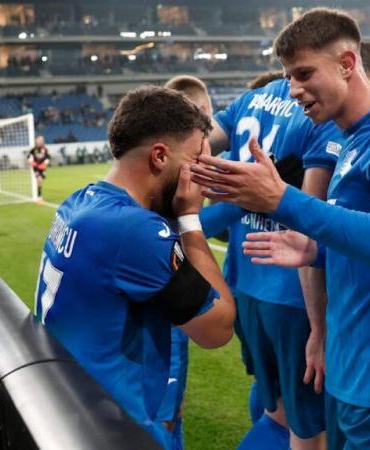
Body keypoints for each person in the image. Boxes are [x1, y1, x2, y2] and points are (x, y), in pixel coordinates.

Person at [191, 8, 370, 449]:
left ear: (348, 64)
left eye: (304, 73)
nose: (293, 90)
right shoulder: (353, 139)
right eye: (289, 76)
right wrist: (317, 251)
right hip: (354, 368)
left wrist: (284, 201)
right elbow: (362, 237)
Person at [33, 86, 236, 450]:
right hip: (117, 428)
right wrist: (189, 217)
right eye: (195, 159)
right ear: (160, 156)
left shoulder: (78, 202)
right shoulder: (132, 231)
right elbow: (217, 328)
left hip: (73, 408)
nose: (200, 174)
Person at [200, 67, 344, 449]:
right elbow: (309, 227)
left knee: (276, 410)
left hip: (247, 287)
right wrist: (320, 327)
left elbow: (197, 143)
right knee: (309, 430)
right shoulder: (321, 113)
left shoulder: (251, 99)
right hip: (292, 293)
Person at [157, 74, 216, 450]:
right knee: (162, 418)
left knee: (170, 415)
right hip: (169, 321)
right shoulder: (158, 219)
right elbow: (218, 327)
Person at [28, 135, 50, 202]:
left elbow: (48, 157)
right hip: (36, 167)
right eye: (40, 139)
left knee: (41, 180)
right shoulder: (33, 149)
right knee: (39, 179)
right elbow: (29, 157)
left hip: (42, 167)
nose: (41, 141)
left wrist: (45, 163)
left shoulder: (45, 149)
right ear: (36, 140)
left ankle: (38, 193)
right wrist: (32, 162)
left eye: (42, 140)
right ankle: (39, 196)